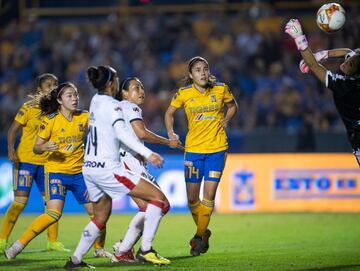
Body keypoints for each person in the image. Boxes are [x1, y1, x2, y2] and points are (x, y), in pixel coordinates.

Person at [64, 66, 171, 269]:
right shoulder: (113, 106)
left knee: (100, 218)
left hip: (89, 168)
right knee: (158, 200)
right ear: (112, 84)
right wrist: (149, 153)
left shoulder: (95, 101)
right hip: (108, 168)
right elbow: (122, 134)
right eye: (116, 79)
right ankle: (145, 250)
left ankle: (75, 260)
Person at [4, 82, 109, 259]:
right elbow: (36, 148)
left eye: (75, 94)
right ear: (60, 100)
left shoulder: (84, 117)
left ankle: (99, 249)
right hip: (56, 173)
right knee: (53, 214)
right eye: (69, 95)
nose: (74, 98)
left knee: (98, 213)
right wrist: (45, 146)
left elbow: (100, 131)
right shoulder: (50, 121)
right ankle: (16, 246)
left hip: (79, 175)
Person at [164, 56, 238, 256]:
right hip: (194, 150)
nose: (203, 73)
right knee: (191, 199)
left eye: (205, 69)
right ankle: (205, 232)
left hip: (217, 149)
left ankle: (198, 237)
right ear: (191, 75)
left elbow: (233, 106)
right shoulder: (183, 93)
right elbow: (169, 113)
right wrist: (171, 133)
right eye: (197, 70)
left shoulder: (221, 88)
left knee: (209, 196)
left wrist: (226, 119)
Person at [111, 77, 182, 262]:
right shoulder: (130, 107)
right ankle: (142, 249)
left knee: (147, 208)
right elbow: (141, 133)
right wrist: (169, 141)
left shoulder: (118, 109)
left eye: (142, 87)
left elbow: (129, 137)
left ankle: (123, 250)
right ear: (125, 93)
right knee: (161, 204)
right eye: (135, 88)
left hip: (124, 162)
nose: (141, 91)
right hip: (129, 164)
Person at [0, 73, 70, 253]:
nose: (54, 87)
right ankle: (2, 240)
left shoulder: (58, 109)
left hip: (48, 163)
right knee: (19, 203)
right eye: (49, 85)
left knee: (52, 203)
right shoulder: (28, 107)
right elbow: (13, 130)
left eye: (55, 84)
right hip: (26, 161)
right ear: (40, 89)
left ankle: (52, 242)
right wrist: (10, 150)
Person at [285, 19, 360, 165]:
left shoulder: (344, 87)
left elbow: (313, 66)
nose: (345, 62)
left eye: (350, 64)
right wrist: (323, 54)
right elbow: (349, 53)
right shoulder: (356, 70)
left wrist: (299, 37)